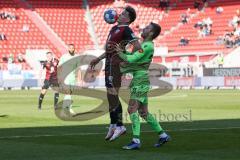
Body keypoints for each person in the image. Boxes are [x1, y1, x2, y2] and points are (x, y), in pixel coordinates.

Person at [90, 6, 141, 141]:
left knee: (113, 94)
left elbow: (138, 48)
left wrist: (125, 56)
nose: (120, 14)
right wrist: (98, 59)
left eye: (123, 13)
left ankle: (120, 126)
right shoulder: (113, 28)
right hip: (108, 64)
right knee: (110, 96)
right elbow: (109, 49)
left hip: (116, 65)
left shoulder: (126, 30)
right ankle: (113, 124)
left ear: (128, 18)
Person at [117, 22, 170, 150]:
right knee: (143, 112)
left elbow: (131, 59)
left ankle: (136, 140)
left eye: (147, 28)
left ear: (151, 33)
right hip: (140, 79)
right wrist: (124, 52)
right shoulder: (145, 45)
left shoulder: (147, 46)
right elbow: (132, 57)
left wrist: (119, 52)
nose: (144, 29)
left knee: (132, 109)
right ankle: (163, 135)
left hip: (140, 81)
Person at [59, 44, 78, 114]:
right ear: (68, 49)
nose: (71, 49)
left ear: (74, 49)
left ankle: (64, 106)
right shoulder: (64, 57)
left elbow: (78, 68)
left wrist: (79, 78)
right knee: (68, 93)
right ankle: (70, 108)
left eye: (73, 48)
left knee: (69, 93)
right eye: (70, 48)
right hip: (65, 77)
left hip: (72, 78)